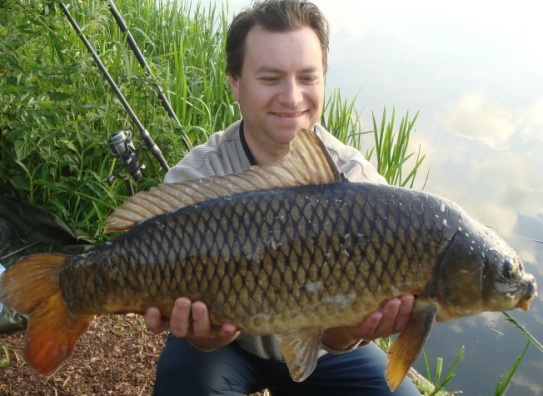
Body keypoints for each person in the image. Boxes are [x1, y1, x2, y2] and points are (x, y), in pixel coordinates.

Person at [144, 0, 419, 394]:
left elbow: (342, 337)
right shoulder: (196, 180)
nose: (292, 98)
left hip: (328, 355)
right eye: (271, 78)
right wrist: (204, 334)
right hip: (226, 348)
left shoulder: (361, 188)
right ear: (235, 82)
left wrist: (345, 333)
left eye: (307, 78)